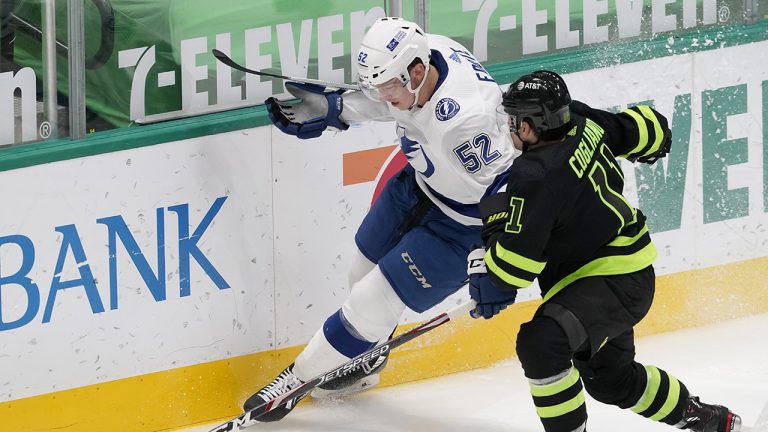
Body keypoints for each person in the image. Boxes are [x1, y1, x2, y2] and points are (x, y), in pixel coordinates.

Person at [245, 17, 517, 421]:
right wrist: (338, 108)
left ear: (417, 72)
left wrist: (499, 262)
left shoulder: (466, 123)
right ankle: (368, 361)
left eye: (388, 87)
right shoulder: (428, 50)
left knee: (369, 302)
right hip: (419, 186)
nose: (383, 97)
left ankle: (294, 382)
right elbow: (385, 98)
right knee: (359, 271)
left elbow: (508, 194)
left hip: (464, 229)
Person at [466, 70, 742, 432]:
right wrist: (656, 138)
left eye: (514, 120)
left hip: (611, 280)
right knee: (611, 381)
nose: (511, 127)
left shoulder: (534, 175)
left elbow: (511, 271)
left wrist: (493, 234)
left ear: (532, 125)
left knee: (541, 343)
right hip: (621, 273)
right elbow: (642, 130)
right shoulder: (579, 120)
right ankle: (708, 419)